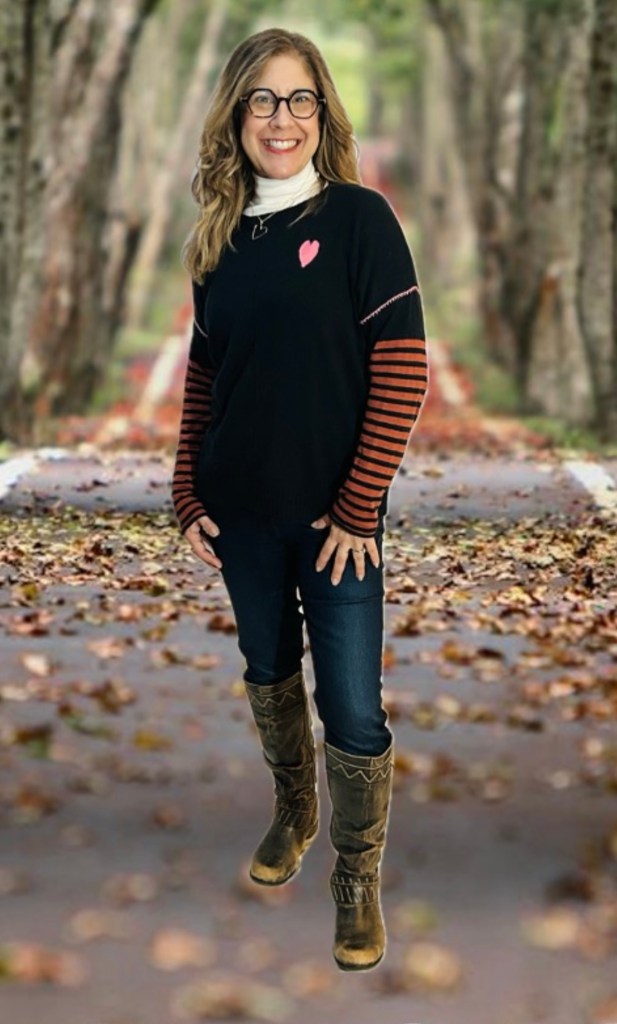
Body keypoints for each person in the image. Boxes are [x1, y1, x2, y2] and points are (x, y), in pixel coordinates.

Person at [172, 26, 428, 972]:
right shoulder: (218, 238)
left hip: (338, 529)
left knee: (353, 712)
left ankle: (355, 879)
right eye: (262, 100)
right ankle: (293, 809)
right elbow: (206, 378)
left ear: (323, 113)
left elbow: (403, 368)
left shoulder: (361, 219)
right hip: (240, 515)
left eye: (299, 99)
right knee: (268, 671)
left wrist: (358, 508)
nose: (281, 119)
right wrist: (186, 488)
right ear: (236, 115)